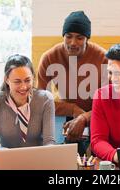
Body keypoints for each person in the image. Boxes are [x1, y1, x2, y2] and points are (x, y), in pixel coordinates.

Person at [37, 11, 108, 153]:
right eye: (68, 36)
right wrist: (73, 109)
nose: (73, 43)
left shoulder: (103, 58)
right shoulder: (49, 58)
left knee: (96, 154)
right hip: (66, 113)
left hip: (97, 113)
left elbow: (109, 104)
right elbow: (40, 101)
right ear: (63, 36)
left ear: (87, 39)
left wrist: (84, 117)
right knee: (58, 153)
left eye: (79, 38)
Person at [0, 54, 55, 158]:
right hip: (8, 161)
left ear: (33, 78)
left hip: (37, 161)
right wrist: (5, 153)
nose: (24, 87)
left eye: (27, 80)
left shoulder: (45, 99)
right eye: (17, 81)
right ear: (7, 80)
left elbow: (50, 142)